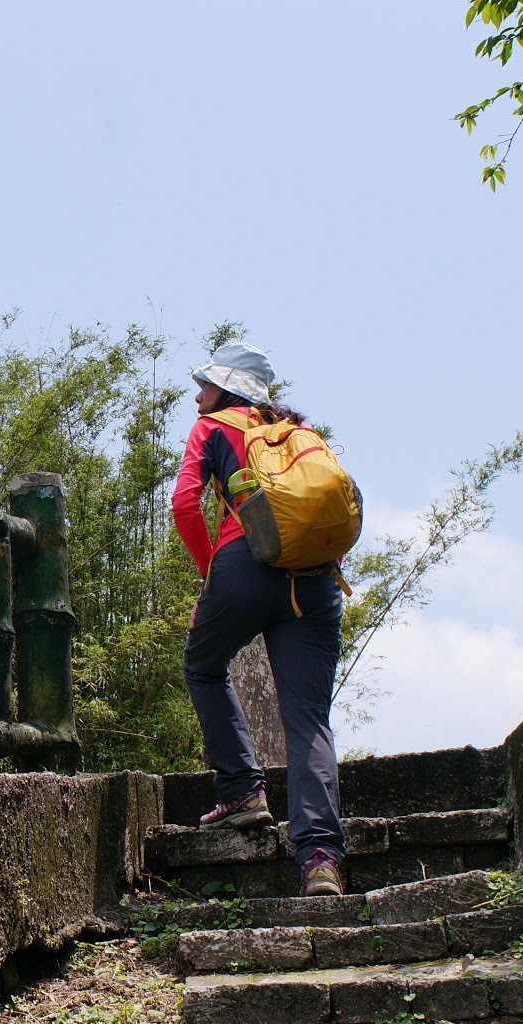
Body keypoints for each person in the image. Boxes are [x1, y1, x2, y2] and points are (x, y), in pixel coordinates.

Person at [170, 340, 345, 897]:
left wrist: (211, 574)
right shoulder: (296, 431)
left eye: (204, 385)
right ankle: (320, 861)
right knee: (308, 718)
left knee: (203, 666)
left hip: (243, 566)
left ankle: (243, 791)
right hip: (315, 579)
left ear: (227, 388)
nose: (197, 396)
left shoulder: (213, 427)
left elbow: (184, 503)